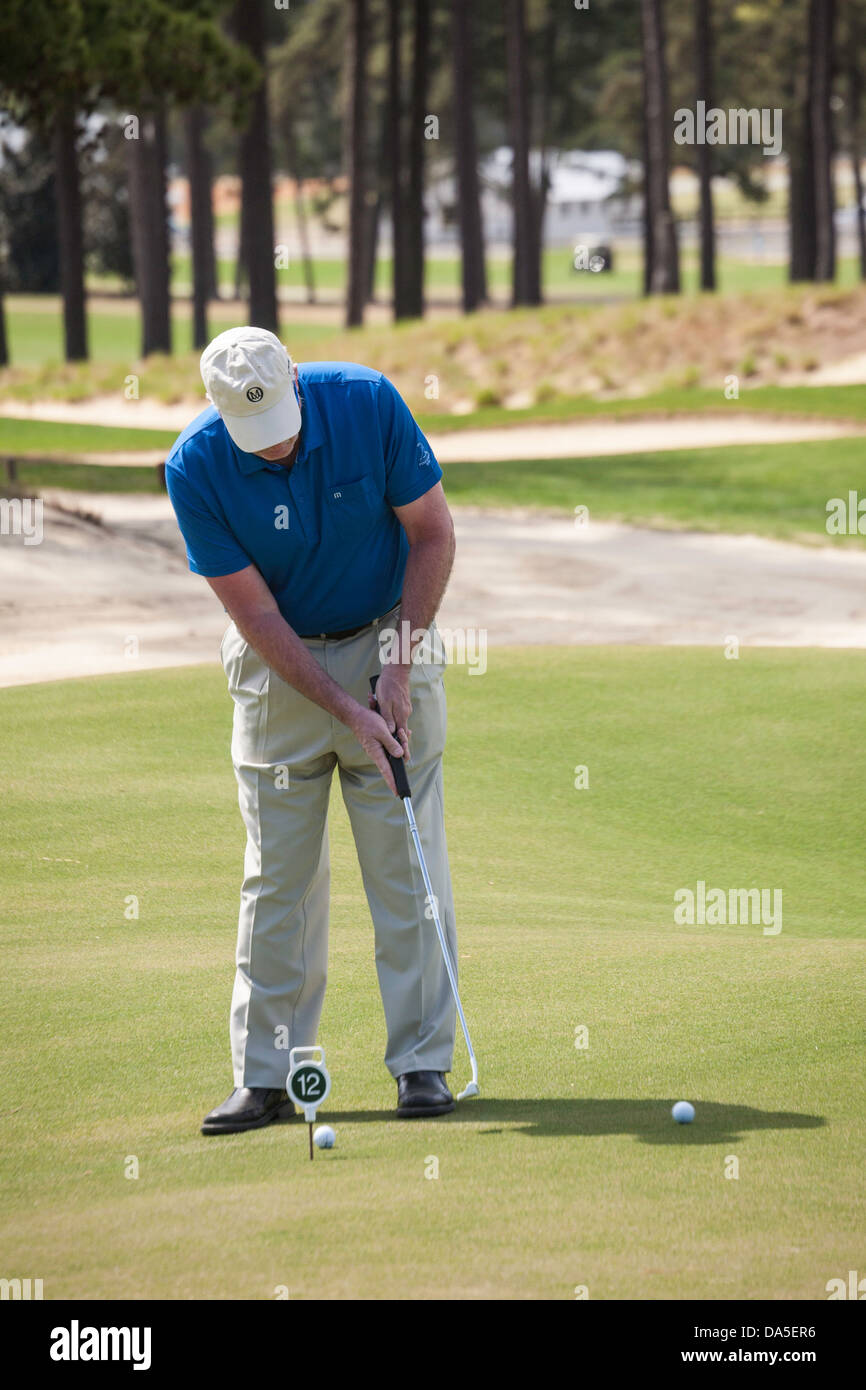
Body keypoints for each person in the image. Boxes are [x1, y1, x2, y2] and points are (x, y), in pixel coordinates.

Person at [164, 326, 460, 1133]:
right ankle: (265, 1076)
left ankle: (423, 1064)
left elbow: (432, 532)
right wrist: (346, 709)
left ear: (296, 378)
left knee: (406, 862)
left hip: (386, 636)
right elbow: (254, 613)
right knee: (278, 879)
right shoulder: (194, 467)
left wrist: (396, 672)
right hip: (279, 662)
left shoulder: (367, 401)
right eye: (255, 441)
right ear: (220, 414)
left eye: (285, 429)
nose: (276, 450)